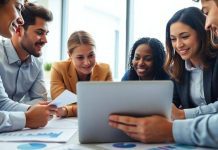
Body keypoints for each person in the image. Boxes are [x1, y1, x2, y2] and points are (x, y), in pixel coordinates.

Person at [109, 5, 218, 148]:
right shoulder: (177, 69)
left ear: (202, 33)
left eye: (185, 37)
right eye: (173, 39)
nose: (178, 45)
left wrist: (183, 114)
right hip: (196, 141)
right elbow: (171, 103)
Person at [0, 2, 57, 133]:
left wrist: (38, 111)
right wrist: (30, 114)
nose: (45, 40)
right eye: (39, 32)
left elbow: (39, 99)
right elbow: (2, 104)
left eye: (46, 33)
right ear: (19, 29)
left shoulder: (37, 62)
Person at [50, 30, 112, 117]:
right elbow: (59, 105)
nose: (87, 62)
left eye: (91, 55)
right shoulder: (59, 68)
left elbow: (108, 105)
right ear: (69, 55)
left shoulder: (105, 70)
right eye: (80, 57)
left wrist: (68, 110)